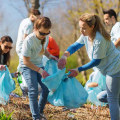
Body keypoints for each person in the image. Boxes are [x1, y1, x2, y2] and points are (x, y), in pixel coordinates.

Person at [58, 13, 120, 120]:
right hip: (109, 69)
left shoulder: (99, 39)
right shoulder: (86, 35)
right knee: (107, 97)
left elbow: (96, 61)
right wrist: (64, 56)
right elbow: (75, 46)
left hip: (115, 68)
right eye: (80, 28)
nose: (81, 31)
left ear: (92, 27)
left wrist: (78, 69)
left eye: (84, 28)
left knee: (112, 99)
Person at [19, 17, 58, 120]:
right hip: (27, 66)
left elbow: (43, 50)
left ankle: (39, 112)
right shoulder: (29, 40)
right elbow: (26, 61)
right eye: (42, 33)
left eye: (47, 33)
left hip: (39, 65)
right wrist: (40, 70)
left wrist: (50, 56)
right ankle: (35, 117)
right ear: (35, 28)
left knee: (46, 89)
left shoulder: (44, 38)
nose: (43, 36)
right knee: (33, 90)